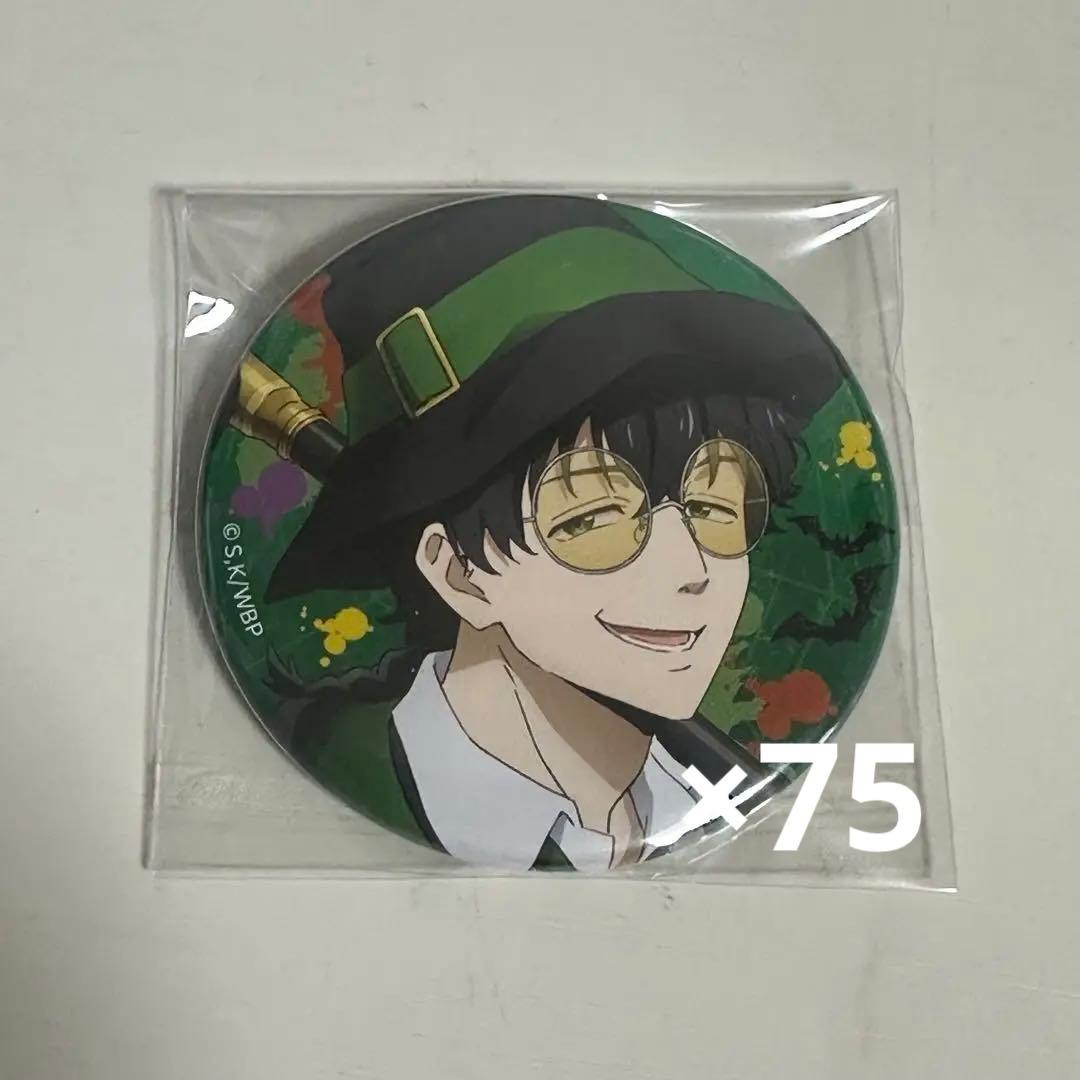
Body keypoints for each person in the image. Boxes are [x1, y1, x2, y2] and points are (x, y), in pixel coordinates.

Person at [262, 194, 843, 870]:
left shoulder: (703, 805)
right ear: (457, 571)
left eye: (715, 509)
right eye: (592, 519)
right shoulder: (349, 772)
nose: (693, 570)